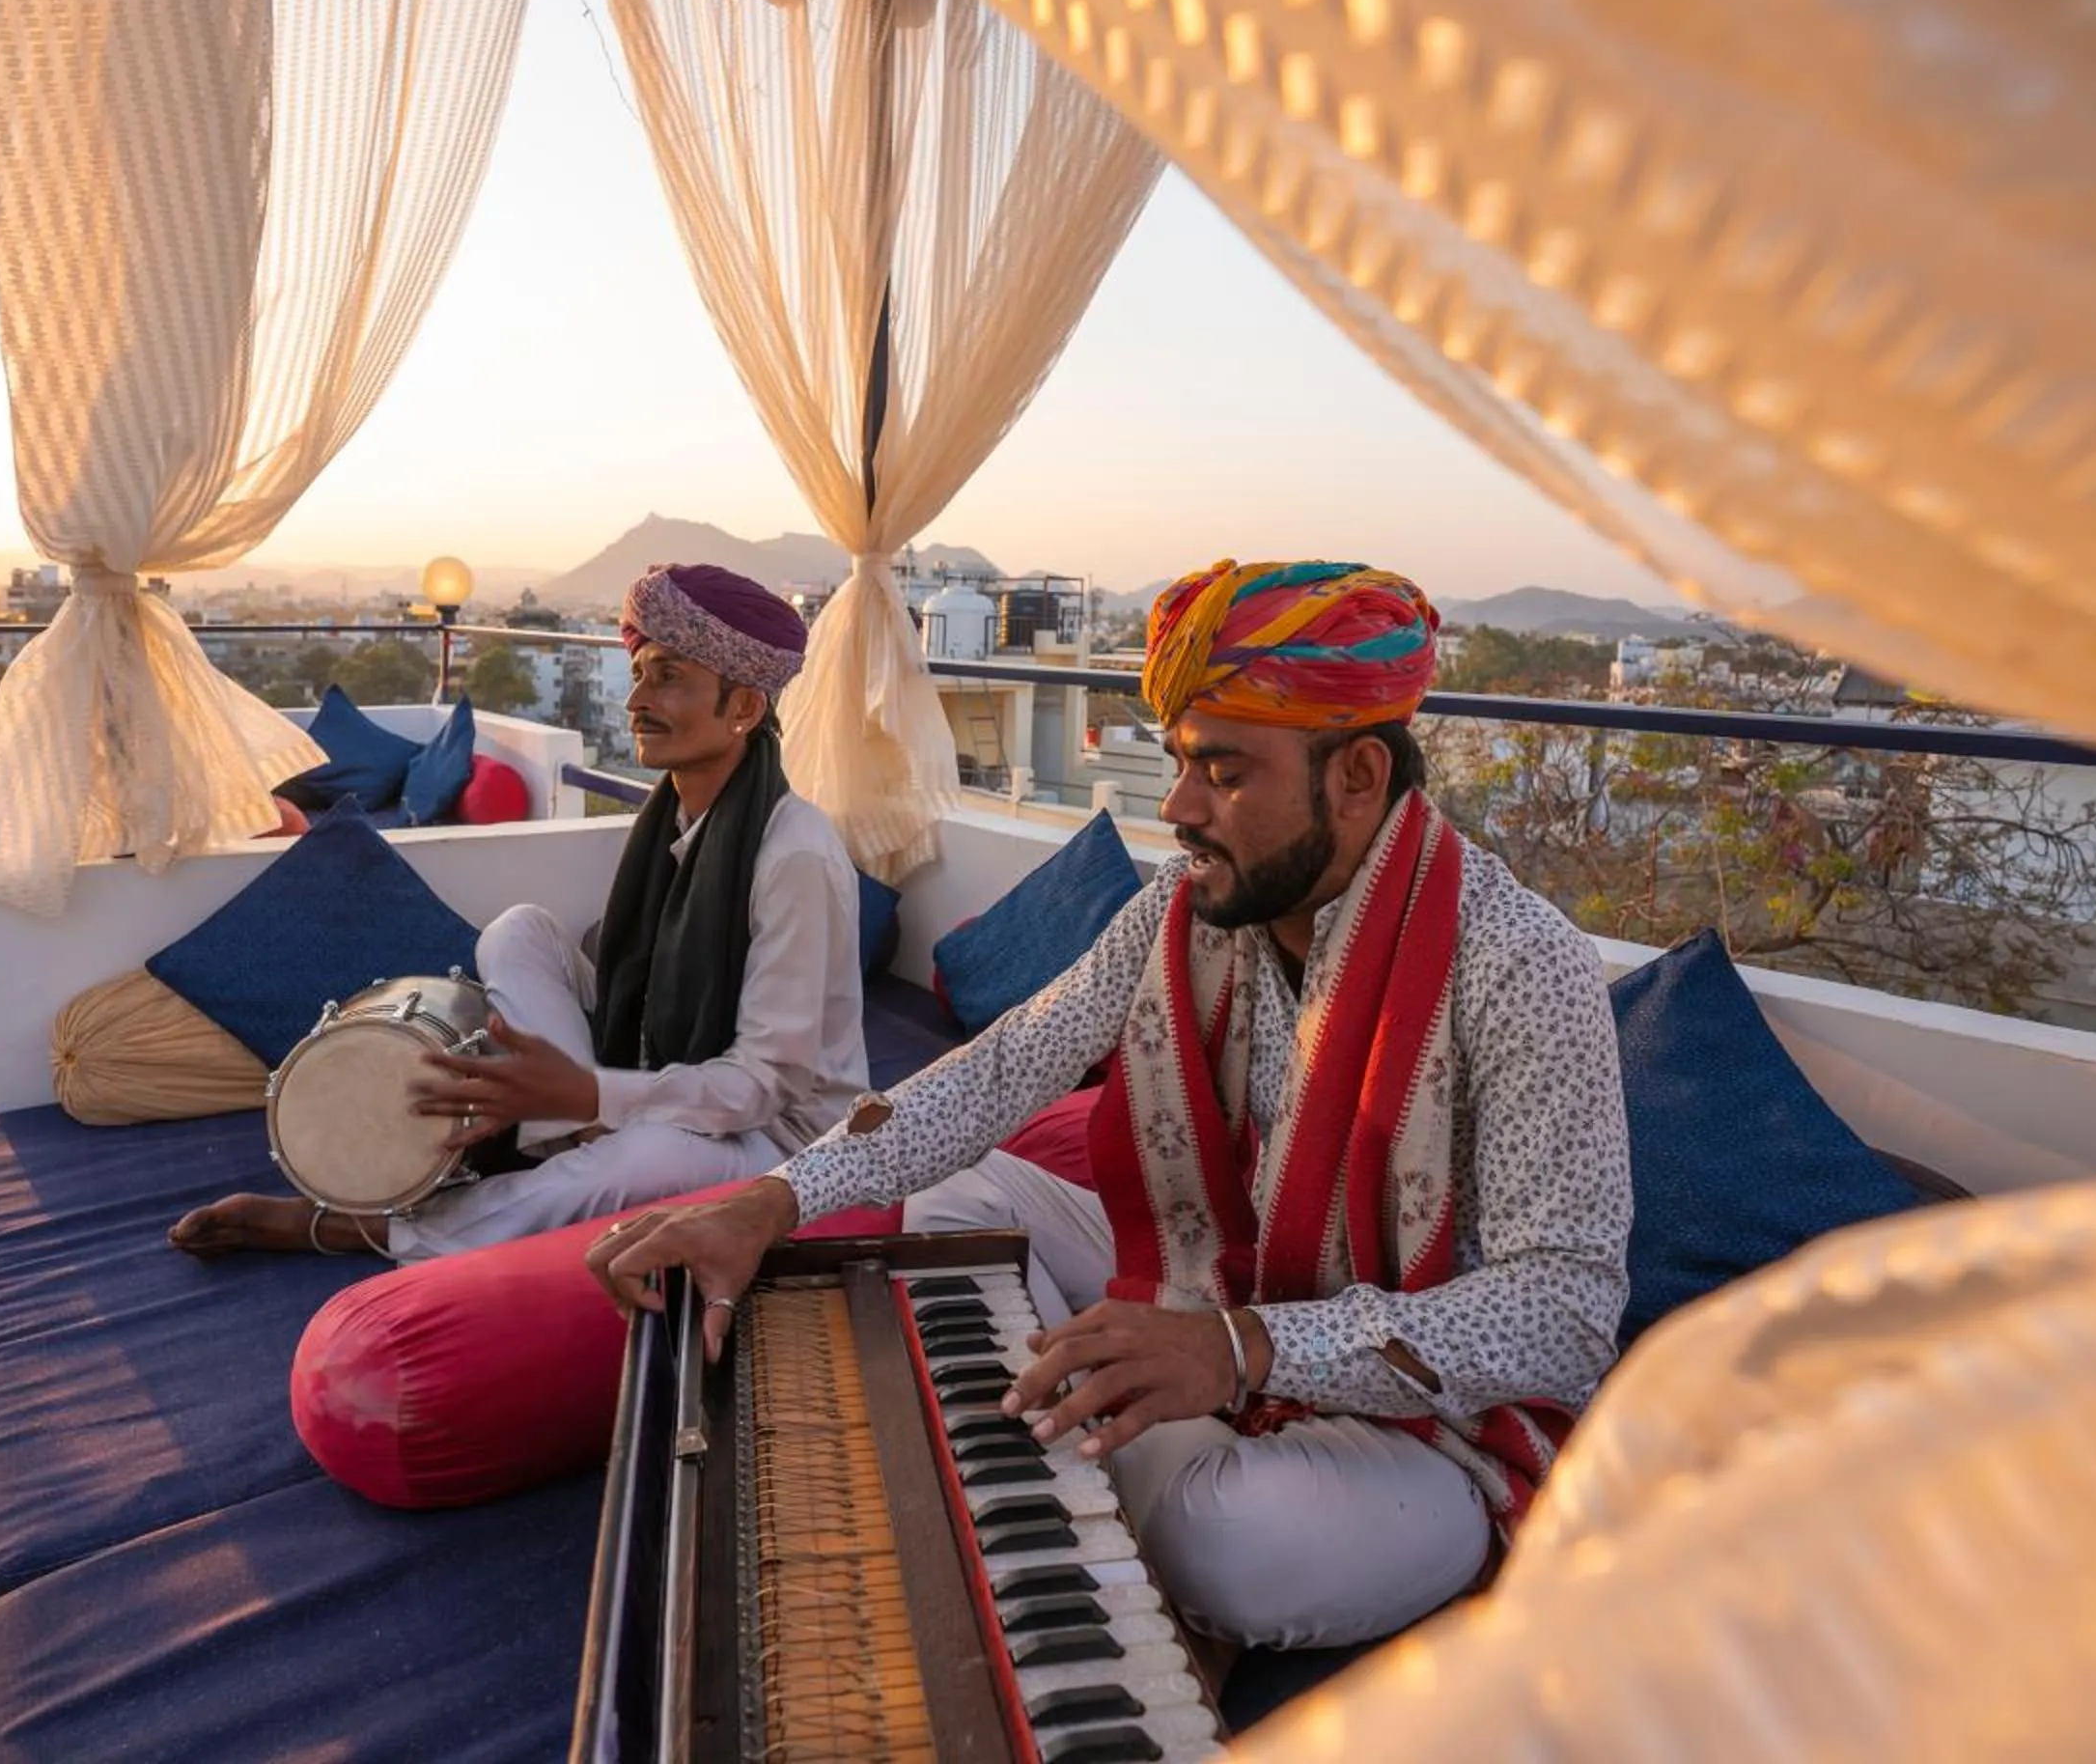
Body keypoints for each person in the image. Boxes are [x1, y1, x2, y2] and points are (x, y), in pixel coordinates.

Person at [589, 560, 1632, 1655]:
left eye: (1223, 773)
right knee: (959, 1189)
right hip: (1221, 1290)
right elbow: (998, 1071)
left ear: (1359, 776)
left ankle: (1078, 1468)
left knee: (1231, 1535)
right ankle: (1089, 1465)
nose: (1178, 808)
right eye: (1182, 764)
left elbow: (1563, 1314)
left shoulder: (1521, 965)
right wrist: (772, 1197)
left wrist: (1238, 1349)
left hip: (1429, 1421)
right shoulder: (1188, 913)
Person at [172, 562, 872, 1262]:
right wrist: (588, 1090)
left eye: (668, 677)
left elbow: (762, 1087)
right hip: (672, 1068)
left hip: (780, 1141)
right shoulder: (676, 817)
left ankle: (371, 1228)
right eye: (638, 673)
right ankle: (569, 1136)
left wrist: (590, 1090)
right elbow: (647, 974)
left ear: (744, 709)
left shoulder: (794, 855)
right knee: (521, 930)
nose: (636, 699)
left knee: (640, 1162)